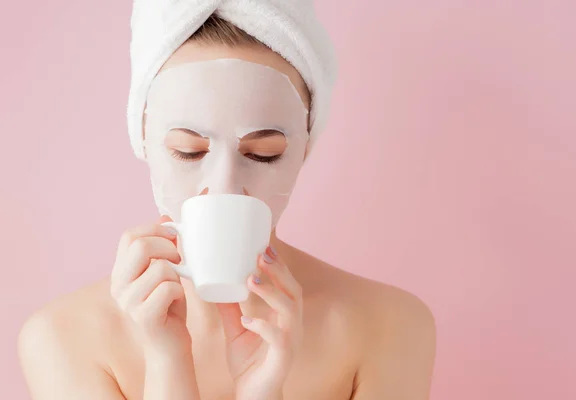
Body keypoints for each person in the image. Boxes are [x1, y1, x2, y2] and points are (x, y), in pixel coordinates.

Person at [18, 8, 436, 400]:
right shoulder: (62, 338)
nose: (223, 187)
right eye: (188, 150)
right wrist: (168, 366)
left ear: (305, 149)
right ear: (142, 139)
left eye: (263, 154)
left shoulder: (390, 328)